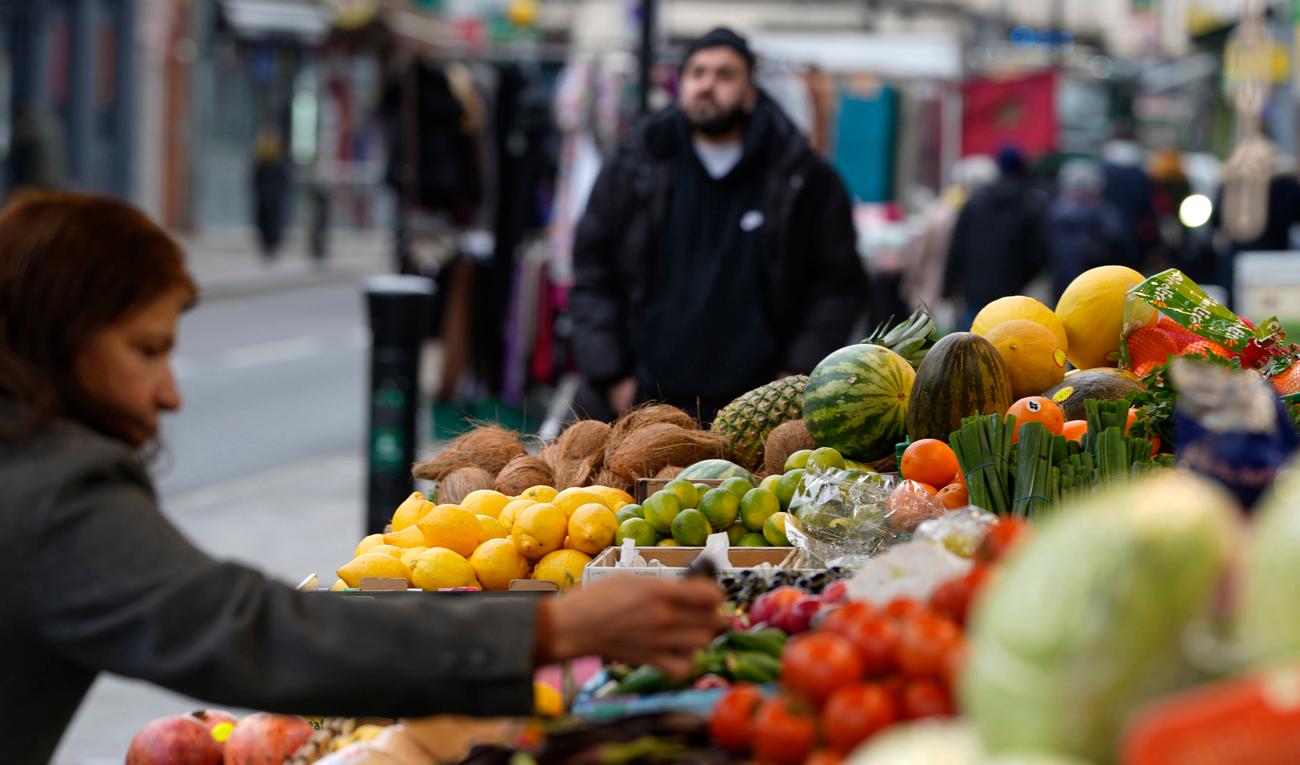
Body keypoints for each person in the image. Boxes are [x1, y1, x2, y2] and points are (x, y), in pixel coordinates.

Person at [0, 192, 728, 763]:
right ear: (61, 340)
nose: (170, 392)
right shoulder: (56, 491)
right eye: (146, 349)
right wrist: (551, 625)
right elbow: (248, 631)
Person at [570, 27, 869, 425]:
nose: (706, 85)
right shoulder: (635, 164)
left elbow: (838, 285)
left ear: (749, 93)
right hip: (640, 403)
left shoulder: (800, 176)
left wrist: (792, 379)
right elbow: (592, 270)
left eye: (724, 75)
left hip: (754, 411)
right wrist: (612, 374)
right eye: (697, 73)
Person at [943, 146, 1051, 327]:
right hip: (1013, 295)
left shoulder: (975, 202)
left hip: (974, 293)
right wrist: (1023, 278)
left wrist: (948, 288)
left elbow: (957, 248)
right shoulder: (1031, 205)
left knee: (968, 347)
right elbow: (1039, 253)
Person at [1047, 159, 1137, 300]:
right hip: (1095, 288)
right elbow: (1119, 241)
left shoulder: (1054, 211)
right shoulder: (1104, 212)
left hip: (1062, 284)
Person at [252, 127, 291, 259]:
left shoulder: (278, 162)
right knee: (263, 222)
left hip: (273, 199)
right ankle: (267, 246)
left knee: (273, 223)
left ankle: (272, 247)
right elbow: (255, 180)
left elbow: (283, 181)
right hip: (264, 198)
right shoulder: (261, 162)